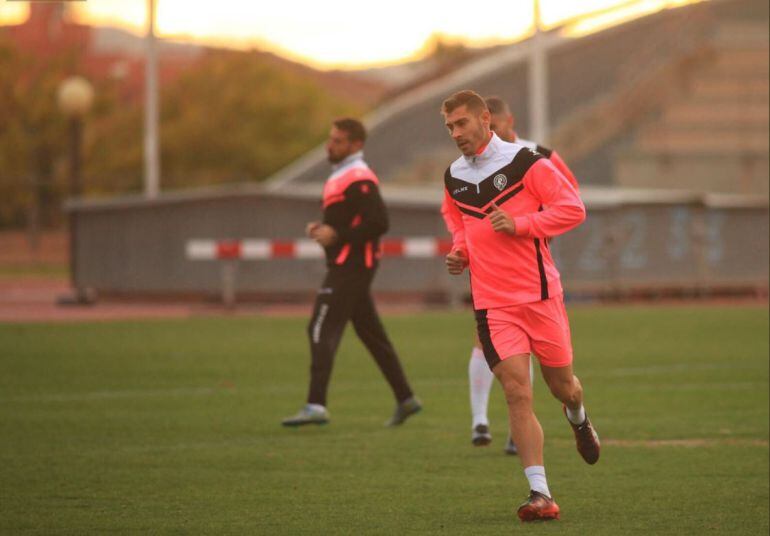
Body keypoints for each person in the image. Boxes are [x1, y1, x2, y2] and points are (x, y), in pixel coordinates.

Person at [440, 90, 600, 522]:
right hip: (493, 305)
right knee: (516, 390)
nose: (456, 133)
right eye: (450, 127)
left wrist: (522, 224)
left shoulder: (528, 162)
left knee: (563, 386)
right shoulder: (453, 176)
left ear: (485, 119)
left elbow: (573, 209)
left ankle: (579, 417)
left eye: (462, 124)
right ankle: (540, 493)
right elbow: (456, 219)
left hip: (541, 296)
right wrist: (461, 251)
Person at [456, 96, 580, 455]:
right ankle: (481, 421)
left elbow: (570, 200)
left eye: (496, 124)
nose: (492, 132)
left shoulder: (537, 156)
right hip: (492, 282)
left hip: (535, 273)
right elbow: (457, 215)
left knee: (558, 379)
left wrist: (529, 227)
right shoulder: (466, 169)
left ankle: (570, 412)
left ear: (508, 120)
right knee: (502, 360)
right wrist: (461, 248)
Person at [282, 118, 422, 428]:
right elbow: (348, 221)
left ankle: (315, 404)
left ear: (356, 145)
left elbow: (379, 222)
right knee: (372, 335)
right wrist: (324, 230)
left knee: (319, 327)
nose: (329, 146)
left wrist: (338, 236)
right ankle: (406, 398)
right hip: (350, 265)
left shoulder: (359, 177)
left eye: (337, 141)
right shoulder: (343, 175)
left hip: (353, 267)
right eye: (330, 139)